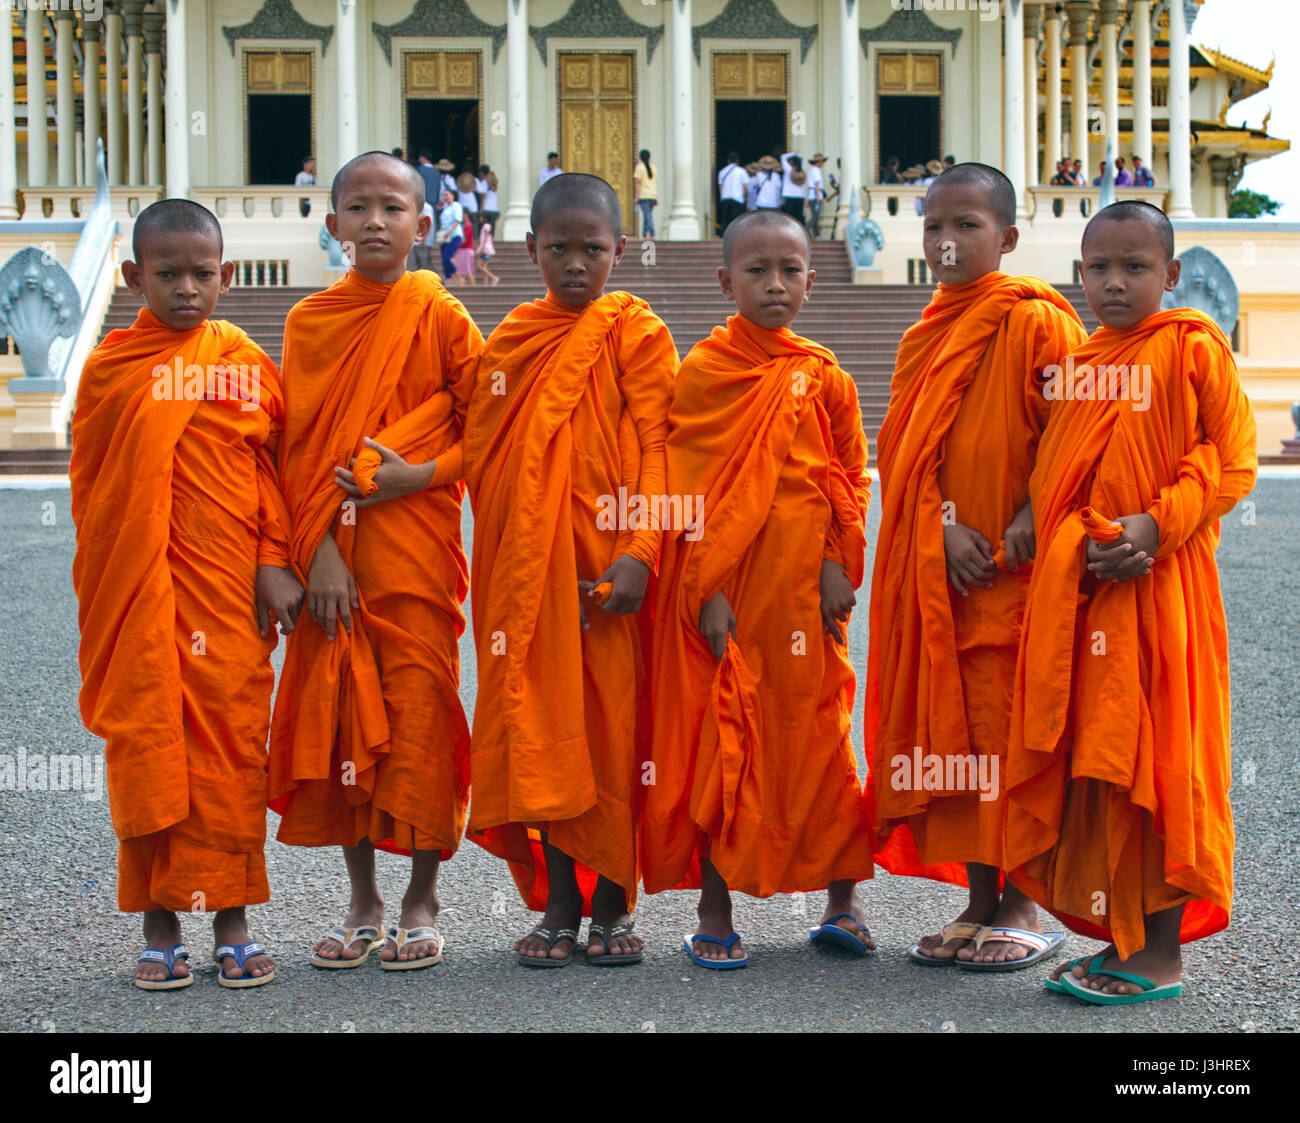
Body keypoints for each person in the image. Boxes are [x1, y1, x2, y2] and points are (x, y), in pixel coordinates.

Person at [1016, 202, 1256, 1005]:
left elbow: (1232, 463)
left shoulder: (1190, 348)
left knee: (1159, 759)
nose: (1114, 284)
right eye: (1098, 269)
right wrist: (1060, 542)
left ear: (1173, 275)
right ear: (1078, 272)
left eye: (1135, 267)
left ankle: (1160, 955)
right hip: (1087, 598)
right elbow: (1056, 478)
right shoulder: (1081, 365)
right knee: (1104, 764)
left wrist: (1157, 523)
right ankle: (1126, 941)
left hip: (1164, 591)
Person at [71, 199, 301, 991]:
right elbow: (98, 493)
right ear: (133, 276)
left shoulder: (238, 359)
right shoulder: (110, 367)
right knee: (146, 741)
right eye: (166, 274)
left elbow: (272, 473)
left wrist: (275, 557)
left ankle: (233, 916)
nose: (186, 289)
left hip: (227, 589)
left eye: (203, 274)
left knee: (234, 746)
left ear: (227, 277)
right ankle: (160, 921)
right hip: (141, 596)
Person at [862, 163, 1087, 971]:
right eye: (934, 227)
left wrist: (1031, 511)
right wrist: (941, 523)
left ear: (1010, 239)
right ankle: (980, 896)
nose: (947, 242)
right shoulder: (926, 329)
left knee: (1010, 732)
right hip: (945, 573)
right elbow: (906, 457)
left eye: (967, 226)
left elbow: (1077, 435)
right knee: (959, 736)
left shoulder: (1038, 324)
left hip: (1016, 574)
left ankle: (1026, 899)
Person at [644, 209, 875, 968]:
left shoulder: (826, 374)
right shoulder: (703, 374)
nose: (775, 286)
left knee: (821, 737)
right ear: (724, 281)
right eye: (757, 272)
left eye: (791, 271)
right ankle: (716, 910)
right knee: (725, 742)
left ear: (812, 278)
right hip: (732, 594)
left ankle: (843, 903)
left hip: (807, 592)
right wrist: (705, 589)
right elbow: (685, 491)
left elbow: (848, 479)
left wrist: (841, 561)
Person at [271, 151, 483, 972]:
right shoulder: (310, 321)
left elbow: (482, 429)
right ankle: (361, 898)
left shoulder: (441, 315)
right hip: (336, 563)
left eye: (392, 208)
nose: (375, 222)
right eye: (357, 208)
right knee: (340, 720)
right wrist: (316, 548)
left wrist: (416, 476)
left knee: (421, 709)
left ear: (424, 226)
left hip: (417, 553)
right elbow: (293, 451)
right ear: (332, 226)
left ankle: (422, 896)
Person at [463, 173, 678, 968]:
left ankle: (614, 901)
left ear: (621, 250)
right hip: (531, 572)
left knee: (614, 729)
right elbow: (487, 449)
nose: (577, 264)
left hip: (612, 570)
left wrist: (642, 549)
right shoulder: (514, 338)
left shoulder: (636, 331)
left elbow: (663, 443)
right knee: (540, 719)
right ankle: (559, 898)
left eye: (594, 249)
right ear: (531, 251)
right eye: (560, 249)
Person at [716, 151, 749, 234]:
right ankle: (736, 236)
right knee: (736, 220)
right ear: (738, 160)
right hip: (737, 198)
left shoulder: (722, 171)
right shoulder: (742, 171)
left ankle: (723, 234)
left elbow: (720, 187)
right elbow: (744, 187)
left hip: (725, 197)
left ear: (728, 160)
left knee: (725, 219)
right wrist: (744, 197)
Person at [436, 188, 465, 282]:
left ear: (452, 195)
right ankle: (449, 279)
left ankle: (459, 278)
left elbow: (457, 220)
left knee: (447, 258)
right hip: (445, 237)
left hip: (454, 235)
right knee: (444, 260)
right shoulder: (445, 208)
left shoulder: (456, 205)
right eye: (444, 195)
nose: (445, 197)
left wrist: (450, 230)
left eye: (447, 195)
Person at [633, 148, 657, 240]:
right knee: (647, 215)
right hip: (652, 195)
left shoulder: (639, 168)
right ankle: (644, 235)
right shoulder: (653, 168)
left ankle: (652, 234)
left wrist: (636, 197)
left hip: (643, 195)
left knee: (648, 215)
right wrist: (655, 197)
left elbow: (638, 184)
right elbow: (654, 183)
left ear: (640, 157)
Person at [779, 151, 807, 221]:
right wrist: (797, 155)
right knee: (799, 216)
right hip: (800, 196)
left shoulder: (788, 169)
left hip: (790, 195)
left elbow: (783, 157)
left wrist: (793, 153)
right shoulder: (802, 170)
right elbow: (801, 159)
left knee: (790, 217)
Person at [450, 213, 476, 284]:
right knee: (455, 268)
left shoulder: (468, 225)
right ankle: (460, 284)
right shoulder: (463, 225)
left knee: (468, 271)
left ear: (465, 214)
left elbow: (464, 239)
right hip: (462, 250)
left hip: (466, 250)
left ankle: (474, 288)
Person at [806, 153, 827, 238]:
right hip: (815, 196)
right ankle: (805, 229)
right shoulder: (816, 170)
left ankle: (817, 235)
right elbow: (816, 184)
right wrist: (818, 197)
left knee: (815, 216)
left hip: (812, 196)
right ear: (819, 162)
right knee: (815, 217)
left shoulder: (811, 170)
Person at [416, 151, 441, 219]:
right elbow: (438, 187)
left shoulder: (419, 169)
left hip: (422, 200)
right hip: (433, 200)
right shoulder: (437, 171)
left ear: (423, 158)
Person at [475, 219, 499, 286]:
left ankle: (493, 277)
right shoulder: (489, 226)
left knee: (479, 265)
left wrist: (482, 247)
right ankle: (486, 283)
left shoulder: (486, 225)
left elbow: (486, 237)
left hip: (486, 248)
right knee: (484, 267)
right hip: (488, 248)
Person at [477, 165, 500, 235]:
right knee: (492, 228)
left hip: (487, 209)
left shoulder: (485, 182)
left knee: (485, 227)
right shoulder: (493, 180)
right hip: (495, 209)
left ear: (481, 173)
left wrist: (481, 209)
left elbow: (483, 195)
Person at [456, 171, 479, 237]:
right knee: (474, 223)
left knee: (462, 224)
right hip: (473, 207)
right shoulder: (473, 190)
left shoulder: (459, 190)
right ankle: (475, 237)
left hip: (462, 207)